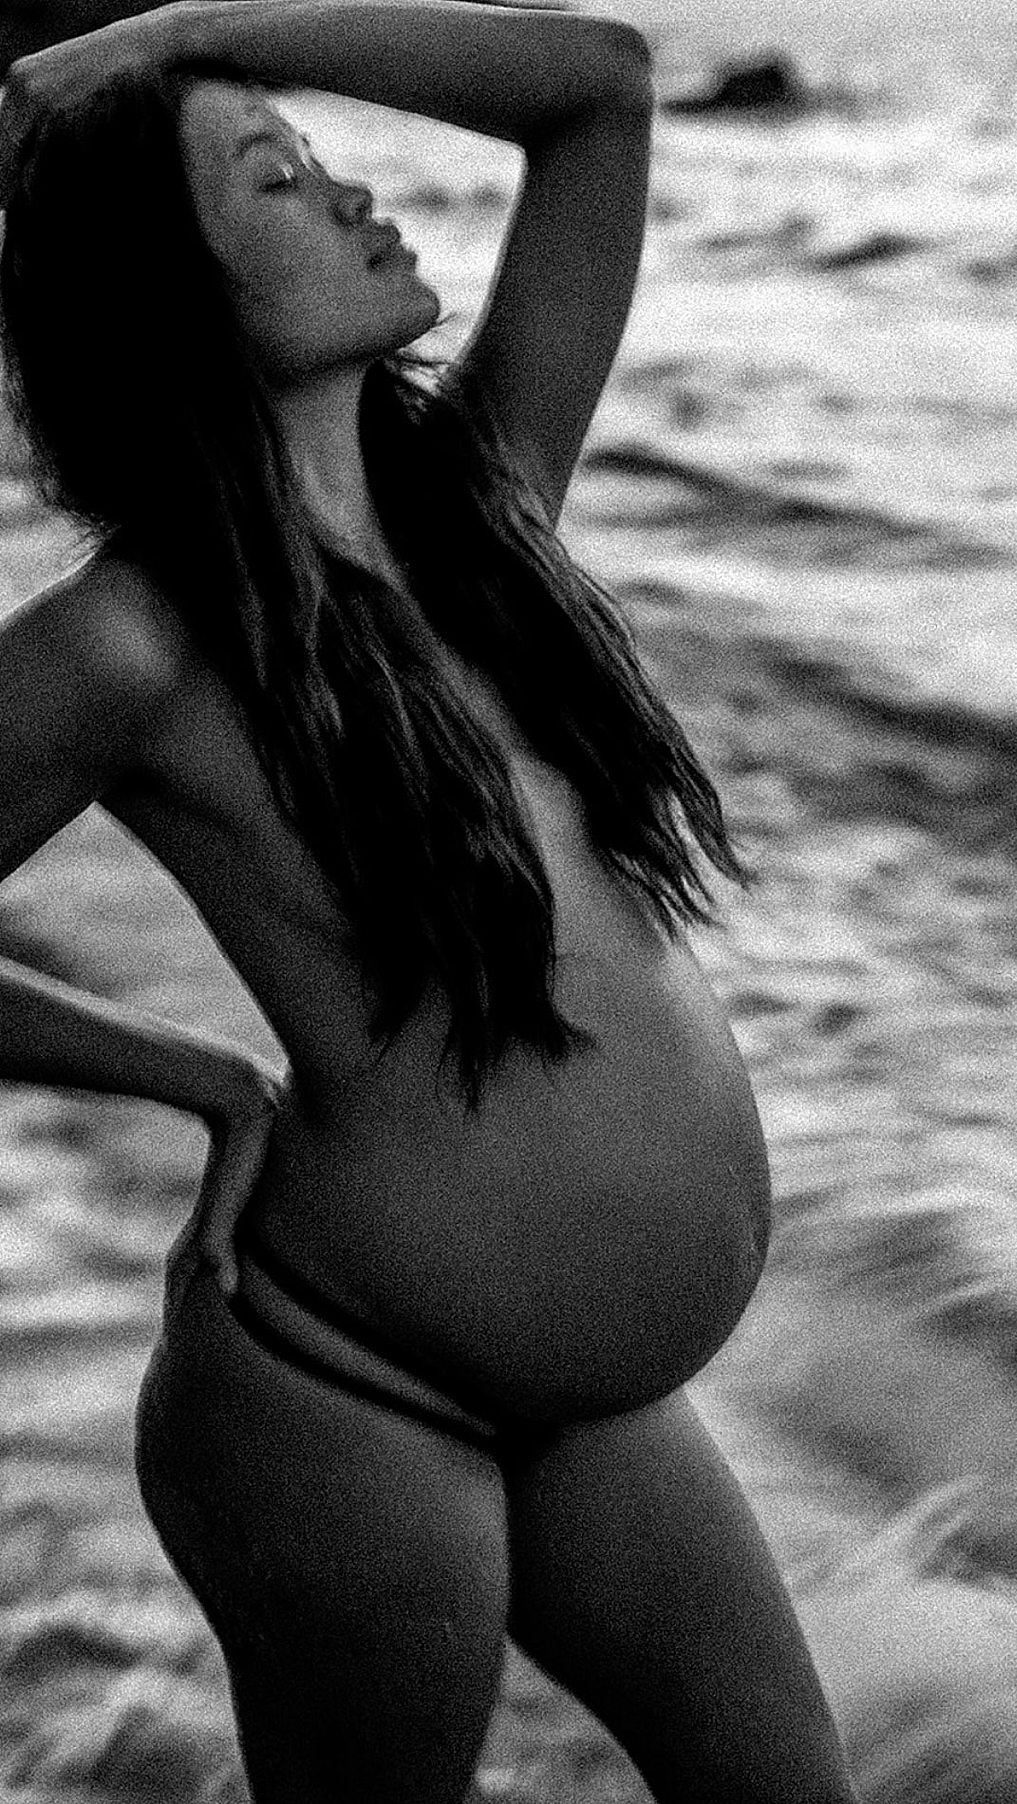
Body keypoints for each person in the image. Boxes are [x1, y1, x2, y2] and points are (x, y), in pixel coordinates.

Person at [0, 4, 861, 1800]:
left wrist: (197, 34)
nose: (357, 187)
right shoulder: (135, 639)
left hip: (590, 1407)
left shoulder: (488, 509)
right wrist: (193, 1077)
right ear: (179, 296)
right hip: (340, 1390)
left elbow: (598, 88)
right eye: (277, 178)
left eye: (318, 155)